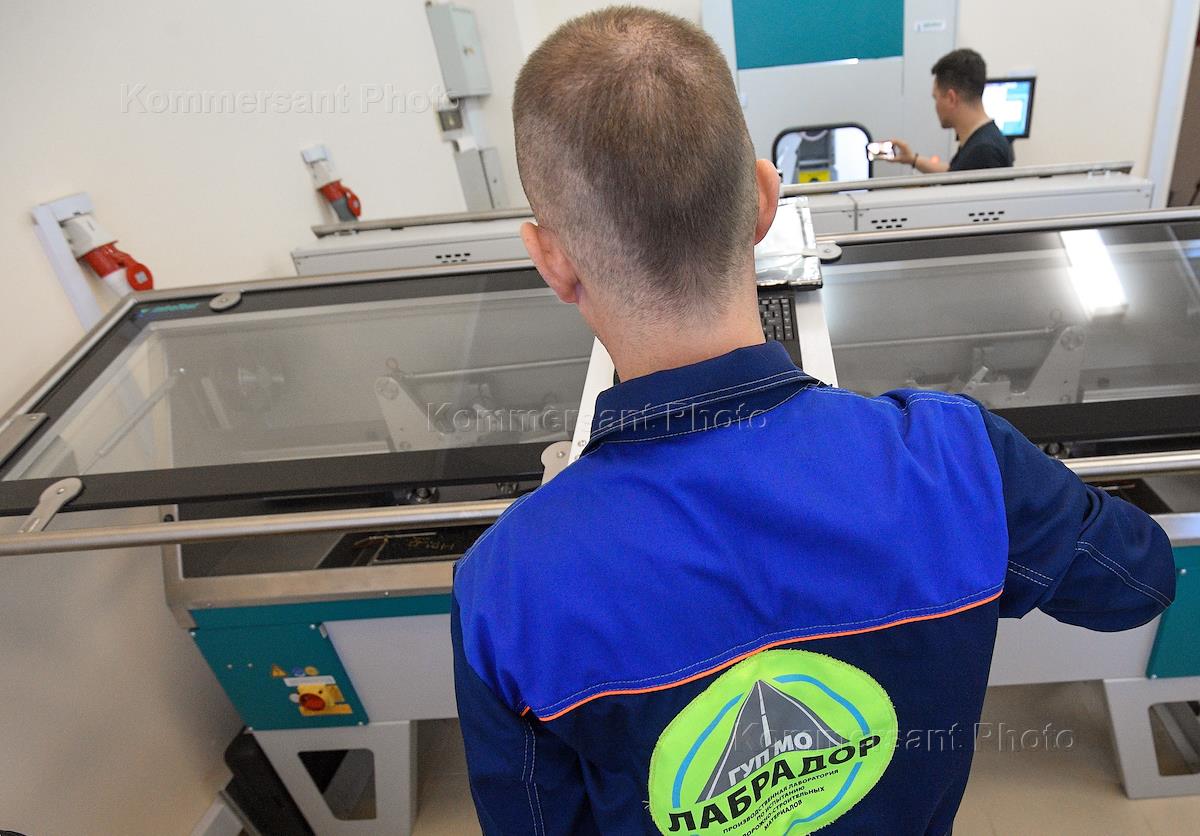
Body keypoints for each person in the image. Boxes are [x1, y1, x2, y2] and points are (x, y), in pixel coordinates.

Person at [451, 8, 1174, 834]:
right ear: (765, 200)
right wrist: (988, 528)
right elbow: (1139, 582)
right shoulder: (956, 459)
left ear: (550, 259)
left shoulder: (505, 589)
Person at [890, 48, 1014, 173]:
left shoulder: (984, 151)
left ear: (951, 98)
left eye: (936, 98)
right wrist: (913, 159)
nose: (936, 106)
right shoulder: (981, 141)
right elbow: (954, 173)